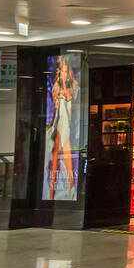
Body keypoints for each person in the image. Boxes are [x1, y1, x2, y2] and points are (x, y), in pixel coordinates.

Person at [46, 57, 79, 198]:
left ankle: (71, 191)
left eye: (65, 72)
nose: (63, 74)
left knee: (66, 159)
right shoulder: (55, 86)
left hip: (66, 124)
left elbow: (69, 98)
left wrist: (63, 86)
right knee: (57, 158)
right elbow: (54, 105)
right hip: (57, 123)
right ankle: (51, 194)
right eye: (61, 72)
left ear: (69, 73)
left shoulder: (72, 87)